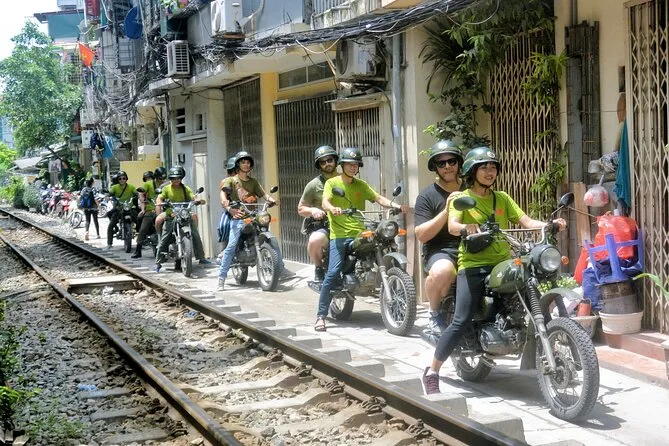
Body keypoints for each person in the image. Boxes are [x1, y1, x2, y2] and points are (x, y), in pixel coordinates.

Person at [420, 147, 567, 395]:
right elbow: (453, 225)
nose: (490, 172)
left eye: (493, 167)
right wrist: (466, 227)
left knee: (532, 290)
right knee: (461, 319)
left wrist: (549, 225)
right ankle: (432, 372)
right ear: (472, 171)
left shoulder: (502, 198)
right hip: (473, 265)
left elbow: (526, 221)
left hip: (502, 262)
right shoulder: (461, 198)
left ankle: (551, 352)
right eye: (484, 167)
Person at [314, 147, 408, 332]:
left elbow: (378, 198)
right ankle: (321, 316)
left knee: (378, 243)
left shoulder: (361, 185)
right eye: (349, 164)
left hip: (359, 231)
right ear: (342, 165)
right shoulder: (332, 183)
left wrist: (395, 205)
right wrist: (332, 208)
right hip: (340, 235)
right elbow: (325, 201)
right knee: (332, 273)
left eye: (355, 164)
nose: (352, 167)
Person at [217, 151, 294, 291]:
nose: (246, 165)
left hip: (254, 215)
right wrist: (227, 205)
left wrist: (272, 201)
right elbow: (223, 192)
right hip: (239, 217)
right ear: (238, 165)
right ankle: (221, 277)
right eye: (243, 162)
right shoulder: (231, 180)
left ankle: (281, 268)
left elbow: (264, 194)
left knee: (272, 240)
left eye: (248, 162)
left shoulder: (253, 182)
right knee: (232, 245)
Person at [414, 140, 464, 334]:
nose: (447, 166)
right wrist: (446, 211)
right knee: (443, 271)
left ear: (459, 163)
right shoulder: (427, 196)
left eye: (452, 161)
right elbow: (421, 235)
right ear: (434, 167)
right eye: (441, 163)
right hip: (442, 250)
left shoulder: (472, 188)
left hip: (474, 246)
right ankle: (434, 313)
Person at [153, 166, 211, 272]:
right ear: (170, 179)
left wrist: (197, 200)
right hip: (171, 215)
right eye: (174, 178)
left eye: (178, 178)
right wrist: (159, 201)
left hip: (184, 214)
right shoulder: (166, 189)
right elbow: (160, 197)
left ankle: (201, 258)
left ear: (181, 178)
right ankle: (158, 263)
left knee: (195, 234)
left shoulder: (186, 188)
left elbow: (193, 196)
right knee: (165, 237)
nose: (176, 180)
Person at [298, 145, 339, 283]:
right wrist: (313, 210)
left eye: (330, 160)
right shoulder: (314, 185)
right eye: (323, 162)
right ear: (319, 165)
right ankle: (319, 267)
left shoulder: (346, 179)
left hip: (348, 223)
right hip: (326, 225)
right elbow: (301, 209)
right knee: (314, 240)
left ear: (335, 160)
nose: (327, 164)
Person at [105, 171, 137, 250]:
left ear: (126, 179)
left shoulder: (131, 187)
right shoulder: (115, 187)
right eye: (120, 179)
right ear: (118, 180)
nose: (122, 180)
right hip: (119, 209)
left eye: (124, 178)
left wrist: (139, 195)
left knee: (139, 220)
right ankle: (109, 244)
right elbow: (110, 193)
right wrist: (107, 196)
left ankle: (142, 241)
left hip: (129, 208)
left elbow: (136, 193)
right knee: (111, 225)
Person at [131, 171, 159, 258]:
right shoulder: (148, 185)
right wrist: (143, 209)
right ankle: (138, 250)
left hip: (159, 210)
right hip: (151, 210)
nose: (148, 180)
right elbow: (141, 195)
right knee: (143, 228)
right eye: (147, 178)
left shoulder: (166, 185)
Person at [216, 155, 238, 263]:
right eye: (232, 171)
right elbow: (223, 196)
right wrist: (227, 205)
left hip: (247, 210)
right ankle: (224, 248)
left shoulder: (248, 181)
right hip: (231, 210)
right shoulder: (225, 182)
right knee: (223, 225)